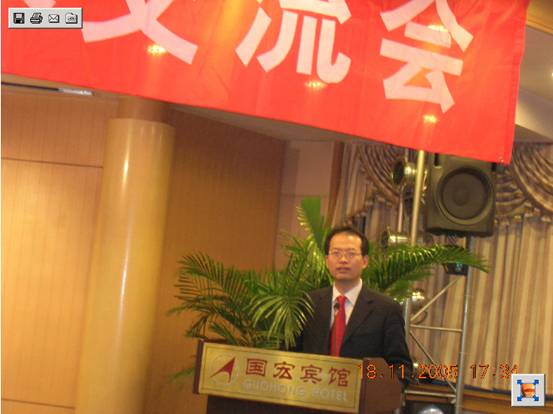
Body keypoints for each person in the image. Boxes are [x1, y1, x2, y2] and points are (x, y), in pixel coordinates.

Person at [295, 226, 413, 384]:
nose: (343, 260)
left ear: (365, 261)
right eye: (336, 253)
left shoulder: (386, 309)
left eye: (351, 253)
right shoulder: (308, 303)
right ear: (327, 260)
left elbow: (402, 368)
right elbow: (290, 355)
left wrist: (371, 385)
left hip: (362, 396)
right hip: (312, 393)